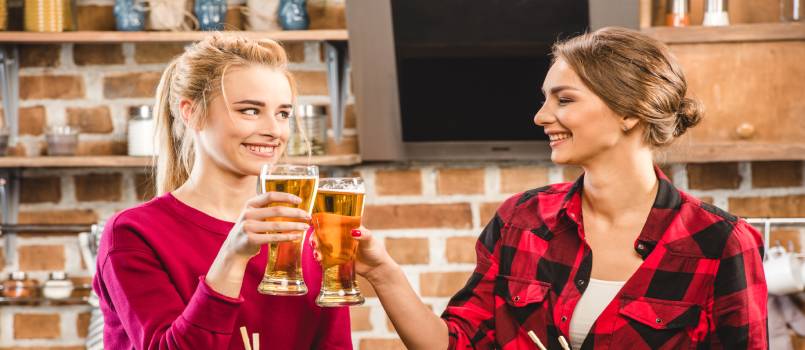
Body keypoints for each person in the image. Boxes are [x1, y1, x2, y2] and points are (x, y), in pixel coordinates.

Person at [332, 27, 768, 349]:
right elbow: (455, 344)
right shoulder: (521, 221)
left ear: (629, 112)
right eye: (545, 99)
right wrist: (382, 272)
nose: (541, 116)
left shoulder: (720, 244)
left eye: (564, 99)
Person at [92, 33, 351, 349]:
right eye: (250, 110)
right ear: (192, 113)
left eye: (283, 113)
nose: (273, 130)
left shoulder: (308, 236)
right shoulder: (132, 234)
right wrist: (232, 256)